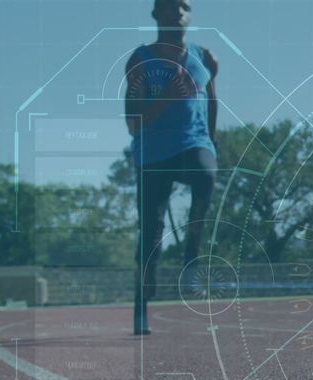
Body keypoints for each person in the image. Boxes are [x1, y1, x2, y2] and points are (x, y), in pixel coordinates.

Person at [124, 0, 219, 334]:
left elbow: (211, 100)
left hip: (194, 143)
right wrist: (167, 96)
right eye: (170, 6)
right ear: (155, 14)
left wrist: (212, 139)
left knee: (206, 174)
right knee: (151, 236)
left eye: (185, 6)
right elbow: (132, 123)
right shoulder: (141, 60)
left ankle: (191, 259)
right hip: (153, 154)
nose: (178, 11)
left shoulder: (203, 58)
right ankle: (141, 306)